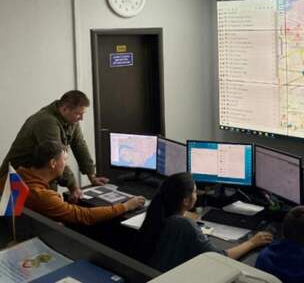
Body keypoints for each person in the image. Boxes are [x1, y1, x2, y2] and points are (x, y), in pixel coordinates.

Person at [137, 172, 273, 272]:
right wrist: (252, 242)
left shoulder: (157, 214)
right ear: (186, 201)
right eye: (195, 192)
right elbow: (220, 258)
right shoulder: (183, 224)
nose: (197, 195)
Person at [0, 90, 108, 203]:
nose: (81, 118)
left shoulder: (71, 120)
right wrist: (73, 187)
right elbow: (57, 158)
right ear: (65, 109)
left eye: (82, 114)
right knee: (28, 215)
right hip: (16, 180)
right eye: (78, 114)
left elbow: (80, 145)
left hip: (42, 177)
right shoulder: (46, 121)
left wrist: (92, 176)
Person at [16, 141, 145, 225]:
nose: (66, 165)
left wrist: (64, 206)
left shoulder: (17, 176)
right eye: (64, 160)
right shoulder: (42, 195)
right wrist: (126, 206)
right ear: (53, 163)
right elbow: (85, 216)